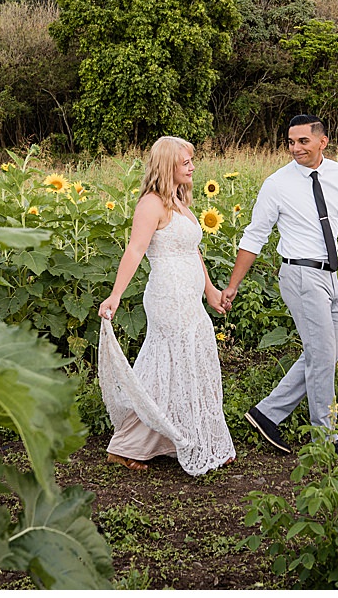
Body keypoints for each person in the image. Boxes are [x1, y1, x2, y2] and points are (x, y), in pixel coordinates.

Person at [222, 115, 338, 452]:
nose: (295, 148)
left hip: (330, 275)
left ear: (322, 142)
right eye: (290, 142)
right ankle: (326, 438)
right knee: (323, 354)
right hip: (299, 274)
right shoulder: (277, 184)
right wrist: (232, 285)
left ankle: (267, 413)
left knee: (326, 353)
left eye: (302, 141)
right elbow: (255, 235)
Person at [95, 136, 237, 475]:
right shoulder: (151, 204)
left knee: (186, 364)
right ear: (166, 166)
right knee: (170, 364)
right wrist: (115, 295)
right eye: (185, 162)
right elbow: (134, 250)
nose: (192, 166)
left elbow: (193, 252)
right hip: (168, 296)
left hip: (189, 296)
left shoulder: (179, 200)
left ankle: (176, 439)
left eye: (191, 161)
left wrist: (211, 291)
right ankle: (128, 445)